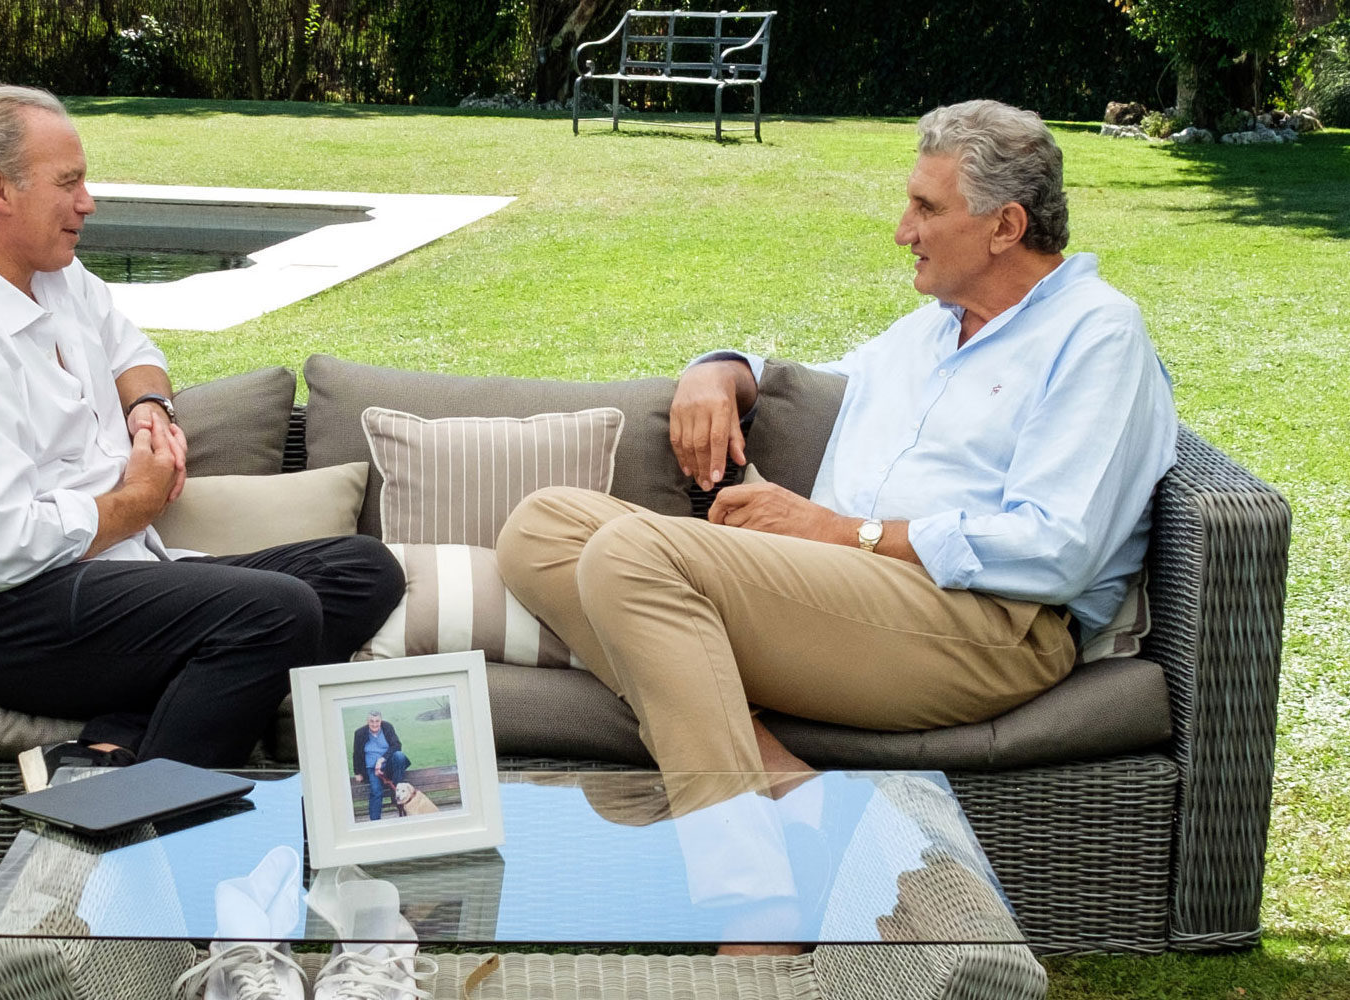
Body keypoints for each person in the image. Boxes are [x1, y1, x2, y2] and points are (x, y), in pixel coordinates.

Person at [497, 99, 1179, 782]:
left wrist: (843, 531)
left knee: (631, 554)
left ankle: (743, 858)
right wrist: (722, 370)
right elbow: (816, 384)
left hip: (989, 626)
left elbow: (1056, 550)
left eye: (926, 208)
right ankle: (774, 775)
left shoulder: (1097, 334)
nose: (901, 231)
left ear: (1006, 225)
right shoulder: (934, 329)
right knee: (542, 528)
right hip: (849, 595)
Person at [0, 86, 403, 791]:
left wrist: (148, 405)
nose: (88, 202)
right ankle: (149, 829)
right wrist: (136, 501)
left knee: (361, 571)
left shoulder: (52, 276)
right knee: (275, 611)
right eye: (69, 182)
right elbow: (1, 550)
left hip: (100, 573)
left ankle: (121, 742)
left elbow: (131, 348)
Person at [351, 711, 410, 820]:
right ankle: (375, 821)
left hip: (388, 764)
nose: (374, 724)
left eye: (377, 721)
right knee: (376, 791)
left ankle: (397, 788)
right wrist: (357, 772)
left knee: (399, 756)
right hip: (371, 768)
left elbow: (397, 745)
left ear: (381, 721)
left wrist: (382, 759)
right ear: (367, 722)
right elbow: (356, 754)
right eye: (371, 721)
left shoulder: (387, 727)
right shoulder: (359, 733)